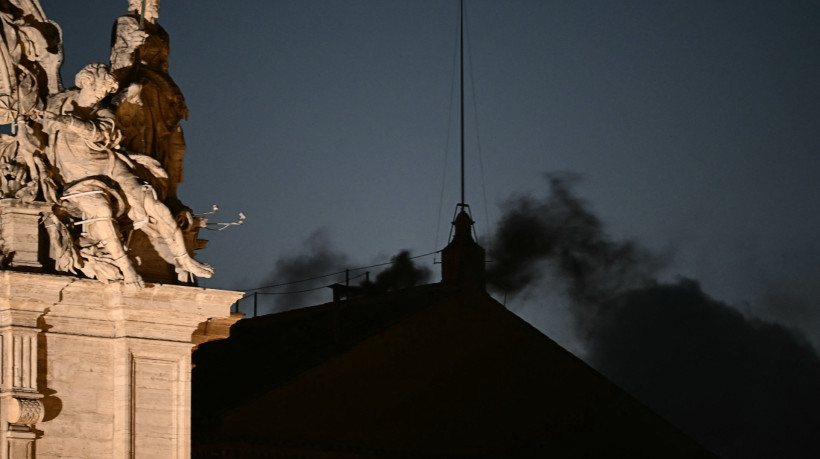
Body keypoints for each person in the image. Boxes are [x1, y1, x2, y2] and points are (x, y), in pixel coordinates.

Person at [40, 63, 212, 289]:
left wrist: (68, 122)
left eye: (104, 93)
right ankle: (127, 269)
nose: (100, 96)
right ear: (85, 82)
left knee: (154, 205)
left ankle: (184, 259)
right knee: (101, 210)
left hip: (110, 167)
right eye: (98, 90)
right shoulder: (58, 103)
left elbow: (101, 133)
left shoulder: (103, 112)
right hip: (77, 178)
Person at [109, 0, 187, 207]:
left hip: (161, 91)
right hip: (142, 86)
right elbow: (117, 59)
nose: (156, 4)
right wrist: (130, 47)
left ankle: (169, 193)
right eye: (151, 1)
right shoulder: (127, 22)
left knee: (172, 142)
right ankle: (143, 181)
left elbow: (164, 67)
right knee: (142, 134)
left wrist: (175, 95)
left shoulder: (162, 32)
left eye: (157, 1)